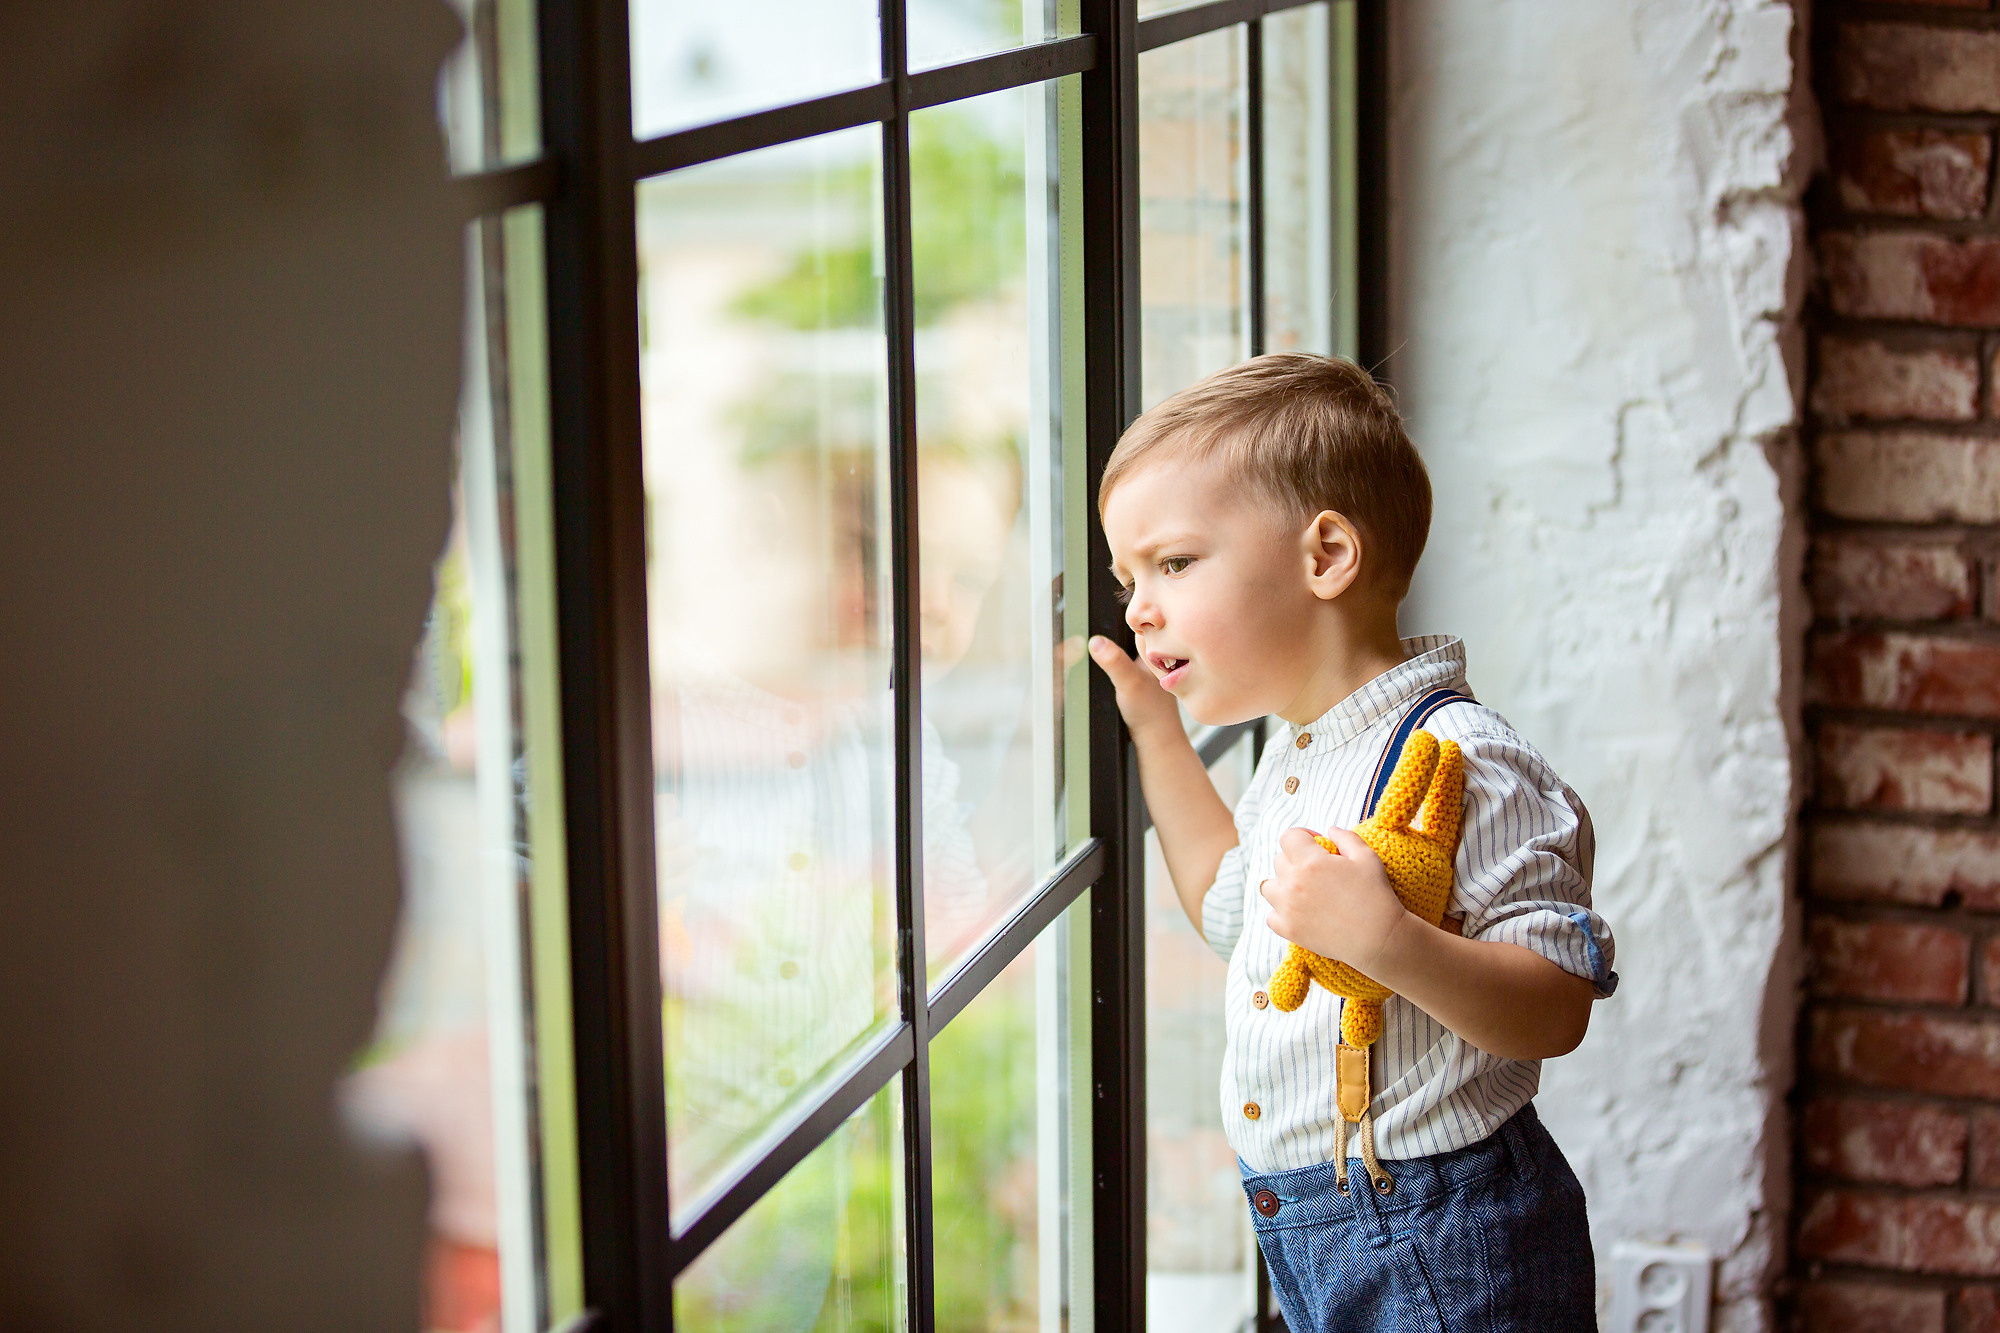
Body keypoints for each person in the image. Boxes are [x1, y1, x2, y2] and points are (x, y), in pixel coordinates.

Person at [1087, 353, 1616, 1332]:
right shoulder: (1295, 753)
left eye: (1172, 562)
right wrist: (1156, 733)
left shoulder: (1459, 759)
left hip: (1449, 1237)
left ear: (1325, 556)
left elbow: (1554, 1006)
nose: (1137, 606)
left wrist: (1387, 942)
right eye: (1128, 578)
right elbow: (1226, 907)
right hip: (1314, 1226)